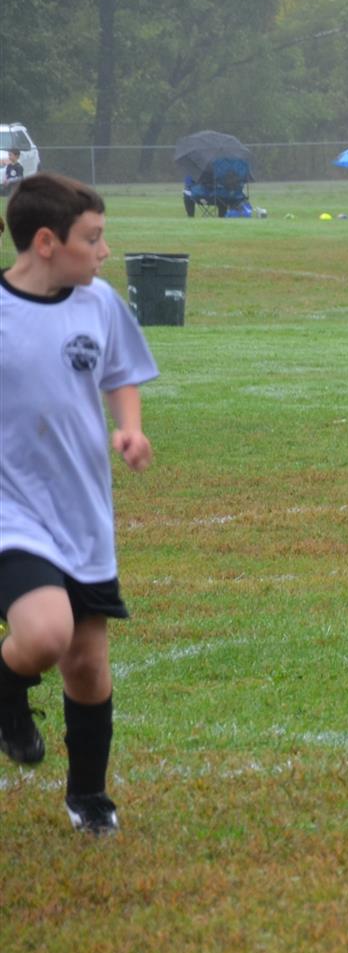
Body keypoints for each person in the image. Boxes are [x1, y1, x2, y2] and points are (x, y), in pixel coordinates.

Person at [0, 174, 159, 836]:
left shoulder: (99, 304)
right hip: (11, 512)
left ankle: (88, 796)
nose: (104, 251)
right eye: (92, 239)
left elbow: (120, 375)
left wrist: (130, 428)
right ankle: (7, 689)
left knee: (87, 662)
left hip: (82, 510)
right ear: (46, 242)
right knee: (45, 634)